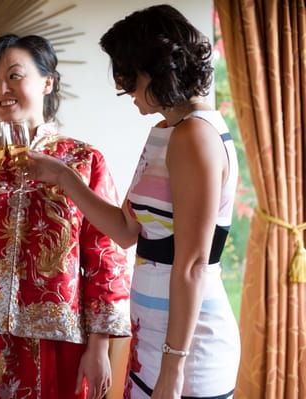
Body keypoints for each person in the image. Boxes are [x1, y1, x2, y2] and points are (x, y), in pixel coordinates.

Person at [27, 4, 241, 399]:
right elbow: (127, 231)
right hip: (154, 337)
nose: (121, 88)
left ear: (156, 68)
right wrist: (64, 178)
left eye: (127, 76)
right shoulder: (166, 130)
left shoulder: (195, 137)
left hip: (188, 350)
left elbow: (192, 264)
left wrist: (172, 372)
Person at [0, 34, 131, 399]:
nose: (0, 88)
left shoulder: (83, 160)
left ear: (47, 81)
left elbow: (107, 258)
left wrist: (99, 348)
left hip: (59, 335)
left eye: (13, 75)